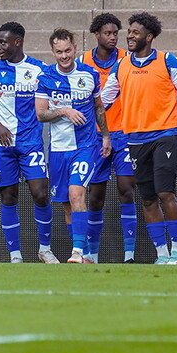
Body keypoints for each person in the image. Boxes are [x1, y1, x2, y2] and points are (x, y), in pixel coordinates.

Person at [101, 12, 177, 265]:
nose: (129, 36)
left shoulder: (167, 61)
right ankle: (161, 254)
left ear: (149, 36)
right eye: (129, 32)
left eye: (135, 32)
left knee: (165, 192)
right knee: (147, 198)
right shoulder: (121, 65)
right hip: (134, 139)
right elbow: (103, 99)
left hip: (164, 135)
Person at [0, 21, 54, 264]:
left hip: (31, 142)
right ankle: (15, 255)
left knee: (40, 194)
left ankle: (45, 249)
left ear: (17, 42)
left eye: (3, 42)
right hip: (2, 144)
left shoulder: (39, 69)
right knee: (8, 196)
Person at [36, 28, 110, 264]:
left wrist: (105, 136)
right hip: (58, 150)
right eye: (59, 52)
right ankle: (86, 253)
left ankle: (77, 252)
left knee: (77, 193)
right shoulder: (45, 77)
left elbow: (98, 106)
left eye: (68, 50)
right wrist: (64, 111)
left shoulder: (89, 74)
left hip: (85, 146)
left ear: (75, 48)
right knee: (67, 205)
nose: (64, 56)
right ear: (53, 52)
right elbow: (40, 114)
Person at [80, 13, 136, 263]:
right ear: (96, 35)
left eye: (116, 33)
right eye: (107, 33)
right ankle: (92, 254)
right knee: (96, 195)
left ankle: (129, 254)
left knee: (126, 189)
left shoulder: (128, 59)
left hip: (124, 134)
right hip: (95, 136)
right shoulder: (82, 61)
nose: (112, 37)